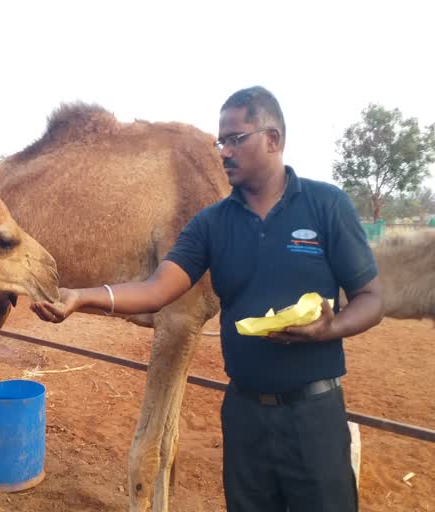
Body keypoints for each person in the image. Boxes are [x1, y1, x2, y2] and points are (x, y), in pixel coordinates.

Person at [31, 86, 383, 512]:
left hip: (315, 413)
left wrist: (332, 327)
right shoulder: (210, 223)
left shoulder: (327, 206)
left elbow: (370, 298)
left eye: (237, 138)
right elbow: (158, 289)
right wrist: (80, 297)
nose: (224, 152)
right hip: (244, 415)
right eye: (221, 141)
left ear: (273, 140)